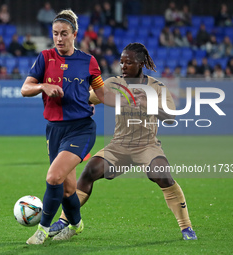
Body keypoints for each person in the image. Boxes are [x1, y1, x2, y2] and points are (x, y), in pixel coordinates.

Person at [49, 42, 197, 241]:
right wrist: (82, 103)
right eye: (121, 62)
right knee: (90, 171)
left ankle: (186, 227)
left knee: (162, 176)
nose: (123, 66)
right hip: (119, 146)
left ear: (141, 63)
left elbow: (171, 117)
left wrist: (149, 104)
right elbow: (87, 98)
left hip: (147, 146)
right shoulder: (113, 83)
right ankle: (65, 220)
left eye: (129, 62)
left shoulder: (157, 87)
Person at [20, 9, 107, 245]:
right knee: (68, 189)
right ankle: (76, 225)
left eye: (64, 34)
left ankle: (43, 230)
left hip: (81, 128)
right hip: (54, 130)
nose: (59, 38)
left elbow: (102, 94)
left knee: (54, 176)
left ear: (74, 34)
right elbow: (25, 89)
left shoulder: (89, 62)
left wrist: (128, 97)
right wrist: (42, 87)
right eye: (55, 34)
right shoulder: (45, 57)